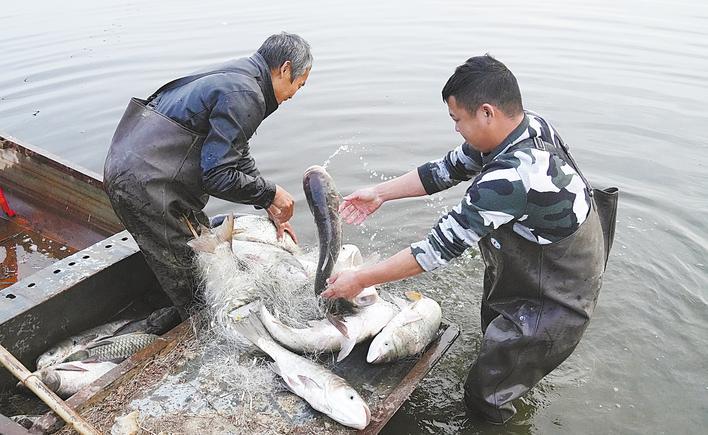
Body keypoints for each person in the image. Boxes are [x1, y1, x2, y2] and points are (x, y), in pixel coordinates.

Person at [322, 55, 617, 424]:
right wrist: (380, 193)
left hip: (557, 297)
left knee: (484, 397)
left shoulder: (510, 178)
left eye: (457, 119)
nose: (457, 129)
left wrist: (361, 278)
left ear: (487, 113)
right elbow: (445, 170)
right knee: (495, 341)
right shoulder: (525, 127)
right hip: (545, 259)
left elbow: (435, 249)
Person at [104, 32, 312, 319]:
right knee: (200, 290)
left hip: (135, 164)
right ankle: (191, 336)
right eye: (298, 86)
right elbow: (217, 175)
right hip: (147, 184)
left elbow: (235, 151)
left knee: (203, 256)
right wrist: (271, 192)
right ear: (285, 69)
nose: (292, 96)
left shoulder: (241, 75)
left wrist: (267, 204)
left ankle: (169, 309)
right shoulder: (247, 94)